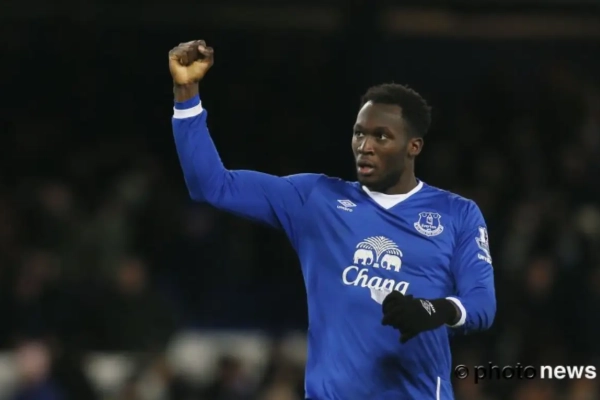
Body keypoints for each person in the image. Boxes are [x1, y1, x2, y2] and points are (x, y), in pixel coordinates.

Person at [168, 40, 496, 400]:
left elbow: (482, 303)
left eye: (381, 136)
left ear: (413, 146)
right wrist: (186, 92)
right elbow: (211, 184)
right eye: (359, 133)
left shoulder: (457, 213)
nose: (365, 146)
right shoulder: (316, 199)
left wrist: (436, 309)